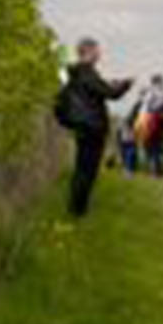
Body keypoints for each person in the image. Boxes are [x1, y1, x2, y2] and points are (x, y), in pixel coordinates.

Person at [51, 39, 133, 218]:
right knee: (87, 170)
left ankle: (76, 209)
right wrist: (126, 85)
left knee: (82, 168)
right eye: (97, 50)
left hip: (81, 125)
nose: (99, 54)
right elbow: (110, 93)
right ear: (88, 51)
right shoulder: (87, 72)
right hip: (92, 127)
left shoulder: (72, 73)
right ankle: (77, 210)